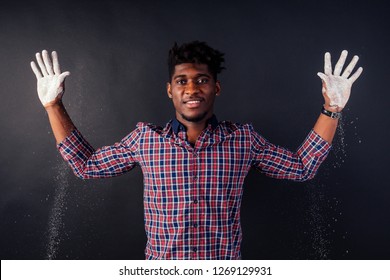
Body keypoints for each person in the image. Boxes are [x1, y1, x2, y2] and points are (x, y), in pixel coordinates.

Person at [30, 41, 363, 259]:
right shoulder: (145, 140)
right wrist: (53, 107)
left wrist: (331, 109)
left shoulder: (243, 140)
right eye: (182, 81)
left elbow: (302, 166)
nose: (192, 88)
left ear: (215, 88)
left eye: (202, 80)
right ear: (170, 90)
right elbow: (87, 165)